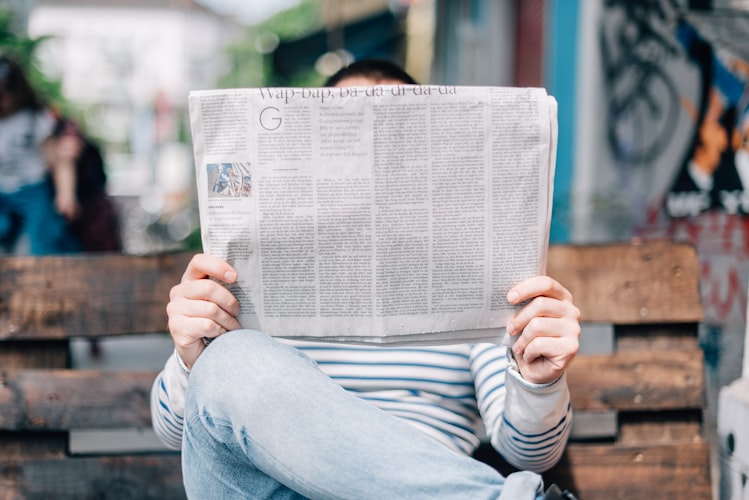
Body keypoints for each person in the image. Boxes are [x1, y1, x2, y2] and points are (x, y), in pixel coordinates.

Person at [151, 59, 581, 500]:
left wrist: (539, 381)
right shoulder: (247, 274)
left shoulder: (475, 278)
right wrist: (191, 358)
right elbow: (176, 433)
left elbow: (530, 453)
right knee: (230, 360)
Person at [0, 54, 81, 255]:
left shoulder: (35, 118)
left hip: (33, 189)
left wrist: (66, 193)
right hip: (3, 192)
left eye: (9, 89)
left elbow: (59, 160)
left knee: (40, 241)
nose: (5, 98)